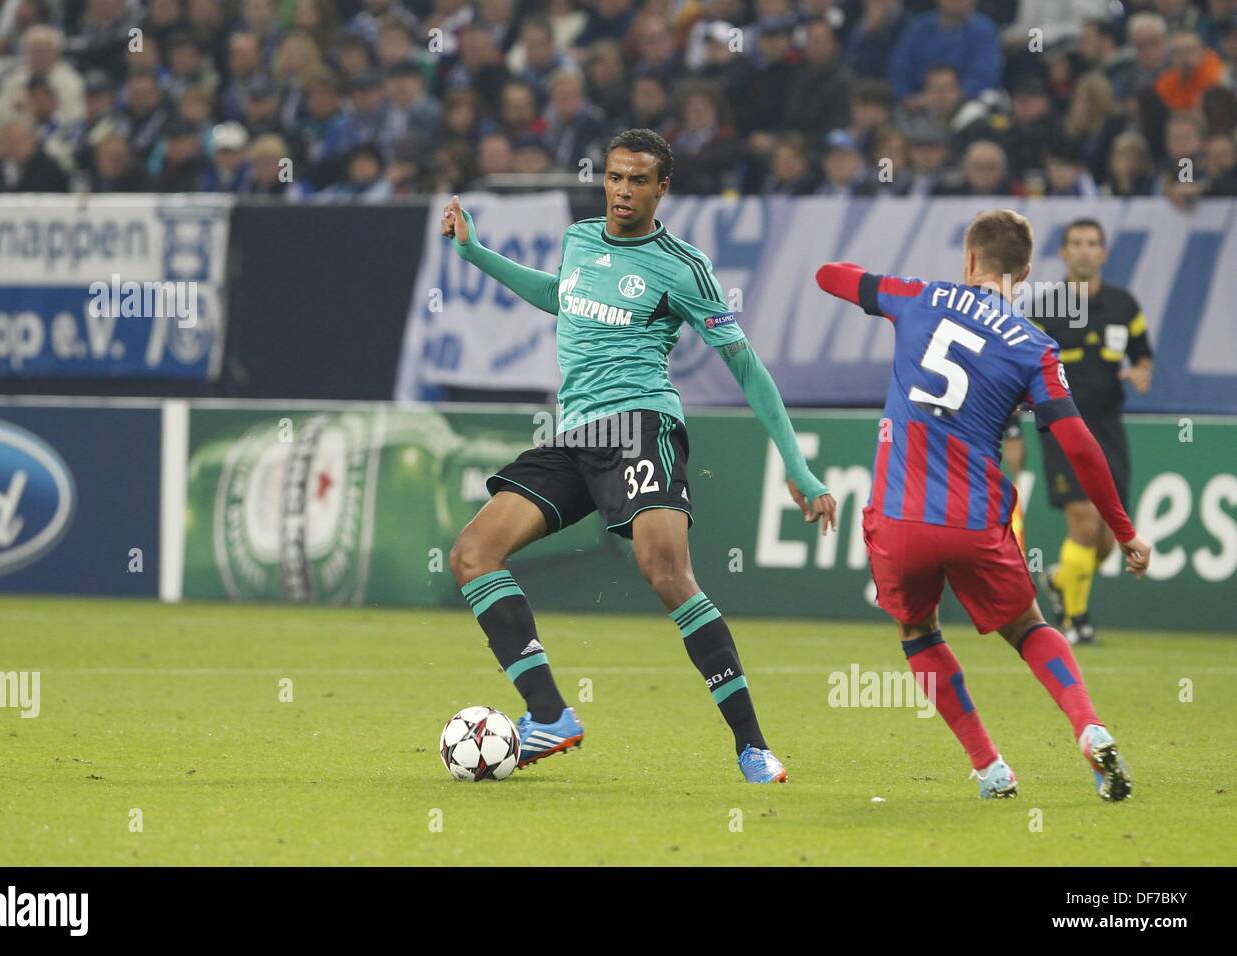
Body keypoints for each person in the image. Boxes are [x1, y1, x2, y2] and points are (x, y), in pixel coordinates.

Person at [441, 128, 837, 783]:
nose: (623, 191)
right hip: (577, 436)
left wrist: (797, 466)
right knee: (472, 554)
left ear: (662, 188)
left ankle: (752, 746)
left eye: (637, 181)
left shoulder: (682, 267)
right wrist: (477, 252)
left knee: (666, 574)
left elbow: (747, 366)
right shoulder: (580, 239)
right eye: (615, 178)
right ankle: (550, 715)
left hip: (639, 426)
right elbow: (558, 296)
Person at [814, 209, 1151, 801]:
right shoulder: (1034, 347)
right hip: (973, 520)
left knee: (917, 629)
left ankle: (991, 768)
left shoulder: (918, 296)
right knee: (1028, 626)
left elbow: (827, 275)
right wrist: (1123, 531)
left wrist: (880, 285)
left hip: (898, 517)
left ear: (969, 259)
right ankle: (1088, 726)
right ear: (1022, 273)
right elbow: (1079, 446)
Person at [1033, 219, 1153, 645]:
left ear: (1103, 253)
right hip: (1062, 426)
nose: (1085, 251)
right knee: (1083, 520)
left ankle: (1061, 580)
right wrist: (1011, 431)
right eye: (1076, 244)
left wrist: (1141, 372)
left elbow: (1143, 357)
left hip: (1107, 428)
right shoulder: (1045, 308)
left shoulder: (1125, 306)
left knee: (1105, 539)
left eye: (1093, 244)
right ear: (1064, 253)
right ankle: (1075, 622)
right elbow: (1016, 371)